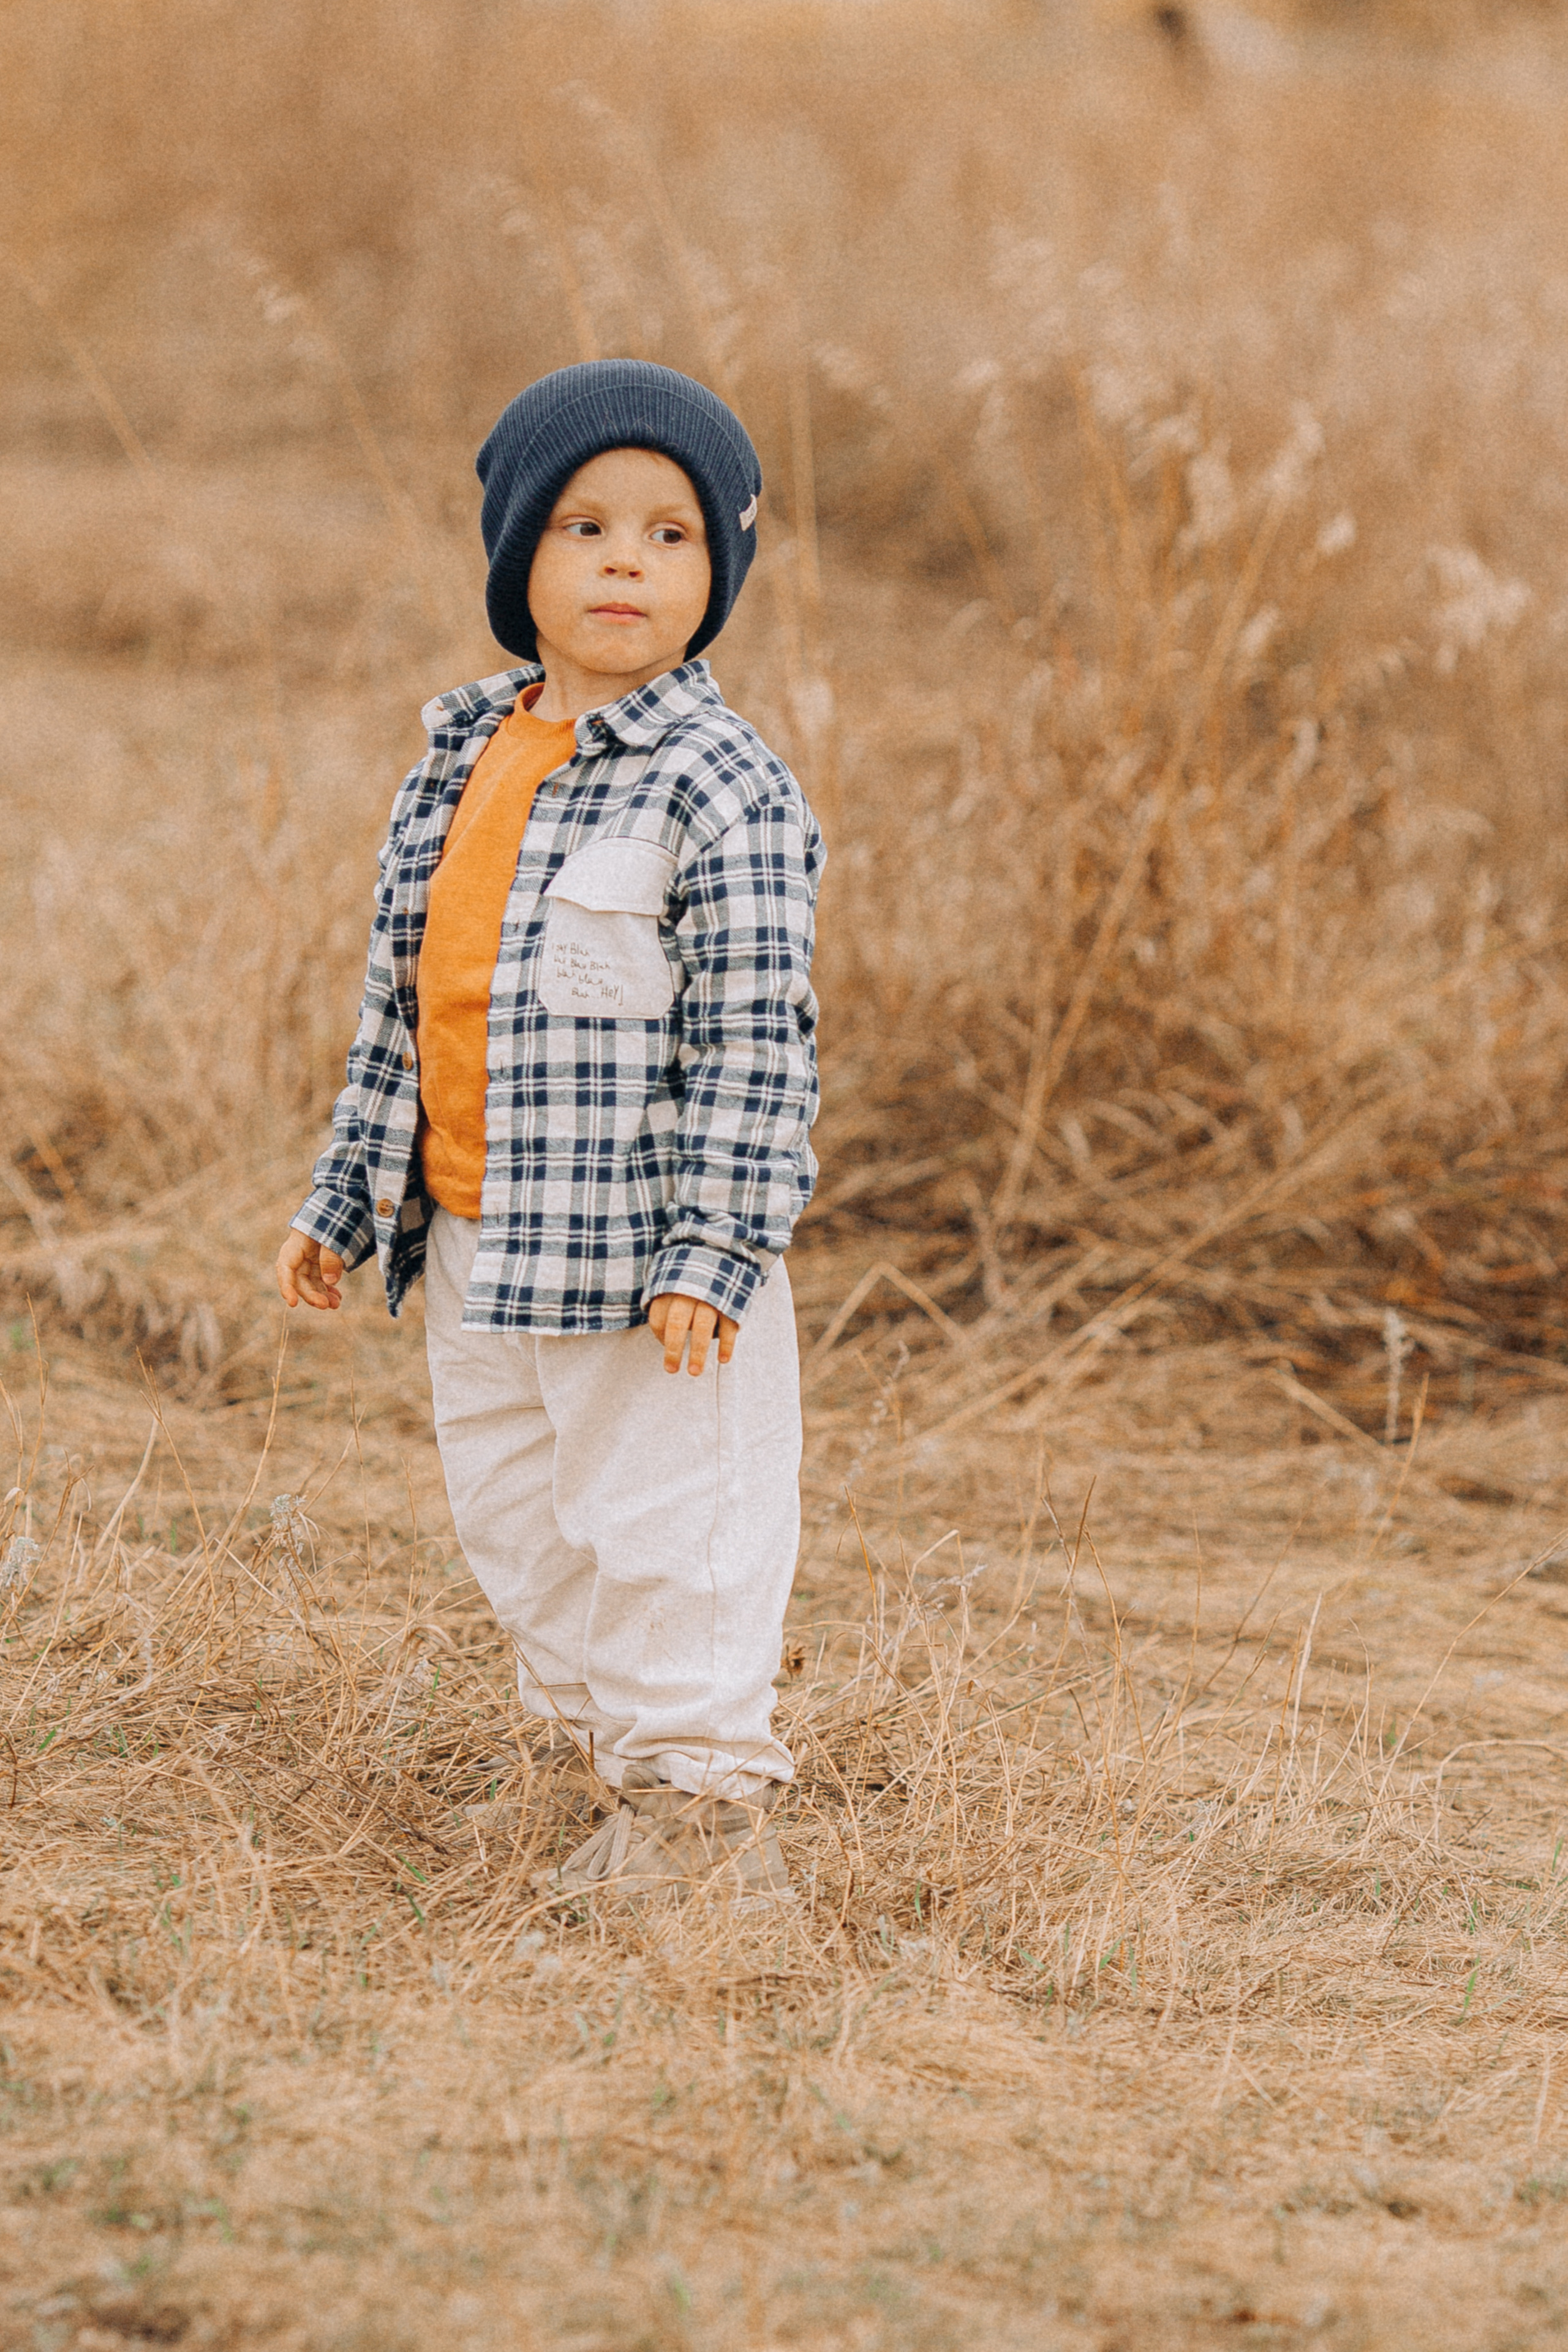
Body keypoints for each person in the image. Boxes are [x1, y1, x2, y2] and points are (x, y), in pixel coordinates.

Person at [274, 360, 823, 1906]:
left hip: (650, 1258)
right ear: (519, 556)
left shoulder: (724, 788)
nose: (627, 564)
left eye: (670, 535)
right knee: (520, 1519)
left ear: (719, 568)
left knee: (667, 1528)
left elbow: (756, 1046)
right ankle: (605, 1782)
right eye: (585, 528)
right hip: (473, 1232)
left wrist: (719, 1246)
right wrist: (346, 1194)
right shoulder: (463, 757)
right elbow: (408, 1003)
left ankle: (706, 1823)